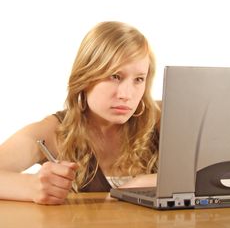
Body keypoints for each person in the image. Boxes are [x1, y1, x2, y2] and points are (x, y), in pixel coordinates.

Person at [0, 21, 161, 205]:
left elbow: (201, 176)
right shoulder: (54, 131)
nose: (126, 95)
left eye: (139, 79)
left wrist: (145, 182)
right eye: (115, 76)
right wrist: (31, 186)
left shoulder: (162, 120)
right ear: (86, 76)